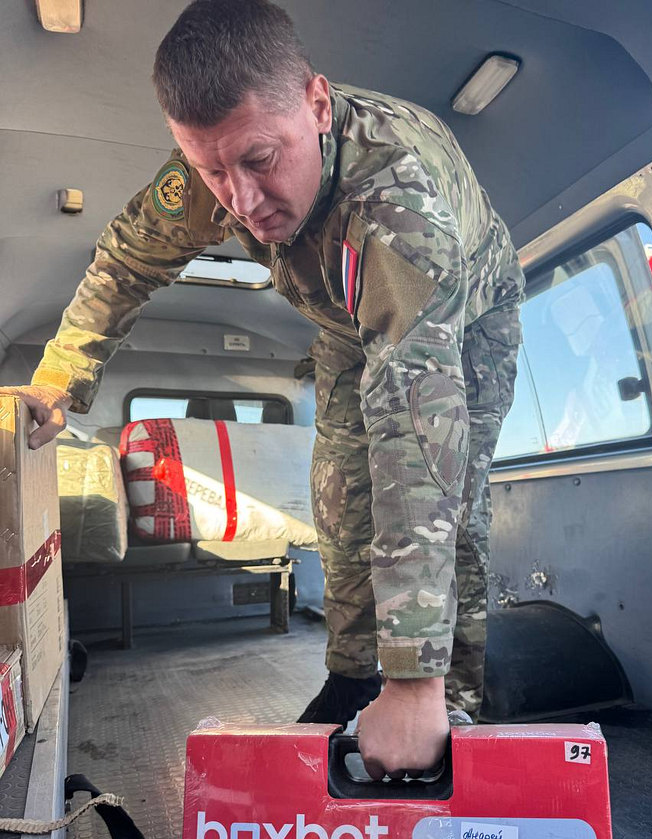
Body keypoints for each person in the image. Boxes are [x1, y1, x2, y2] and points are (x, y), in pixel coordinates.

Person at [2, 0, 523, 780]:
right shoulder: (213, 170)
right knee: (340, 500)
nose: (240, 201)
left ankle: (447, 713)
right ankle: (354, 677)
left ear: (317, 105)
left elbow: (415, 443)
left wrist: (414, 675)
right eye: (214, 171)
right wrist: (56, 379)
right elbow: (124, 262)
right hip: (345, 329)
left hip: (463, 322)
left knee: (450, 508)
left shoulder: (397, 210)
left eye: (258, 160)